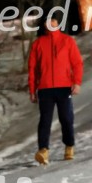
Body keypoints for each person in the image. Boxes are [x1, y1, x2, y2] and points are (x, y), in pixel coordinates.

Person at [27, 14, 83, 165]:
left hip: (64, 87)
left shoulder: (67, 41)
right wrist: (32, 90)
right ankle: (43, 151)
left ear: (58, 23)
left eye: (53, 20)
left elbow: (77, 63)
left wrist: (76, 82)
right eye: (48, 20)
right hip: (45, 89)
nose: (51, 23)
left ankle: (69, 146)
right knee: (45, 120)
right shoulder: (38, 44)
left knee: (66, 118)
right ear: (44, 24)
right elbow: (32, 69)